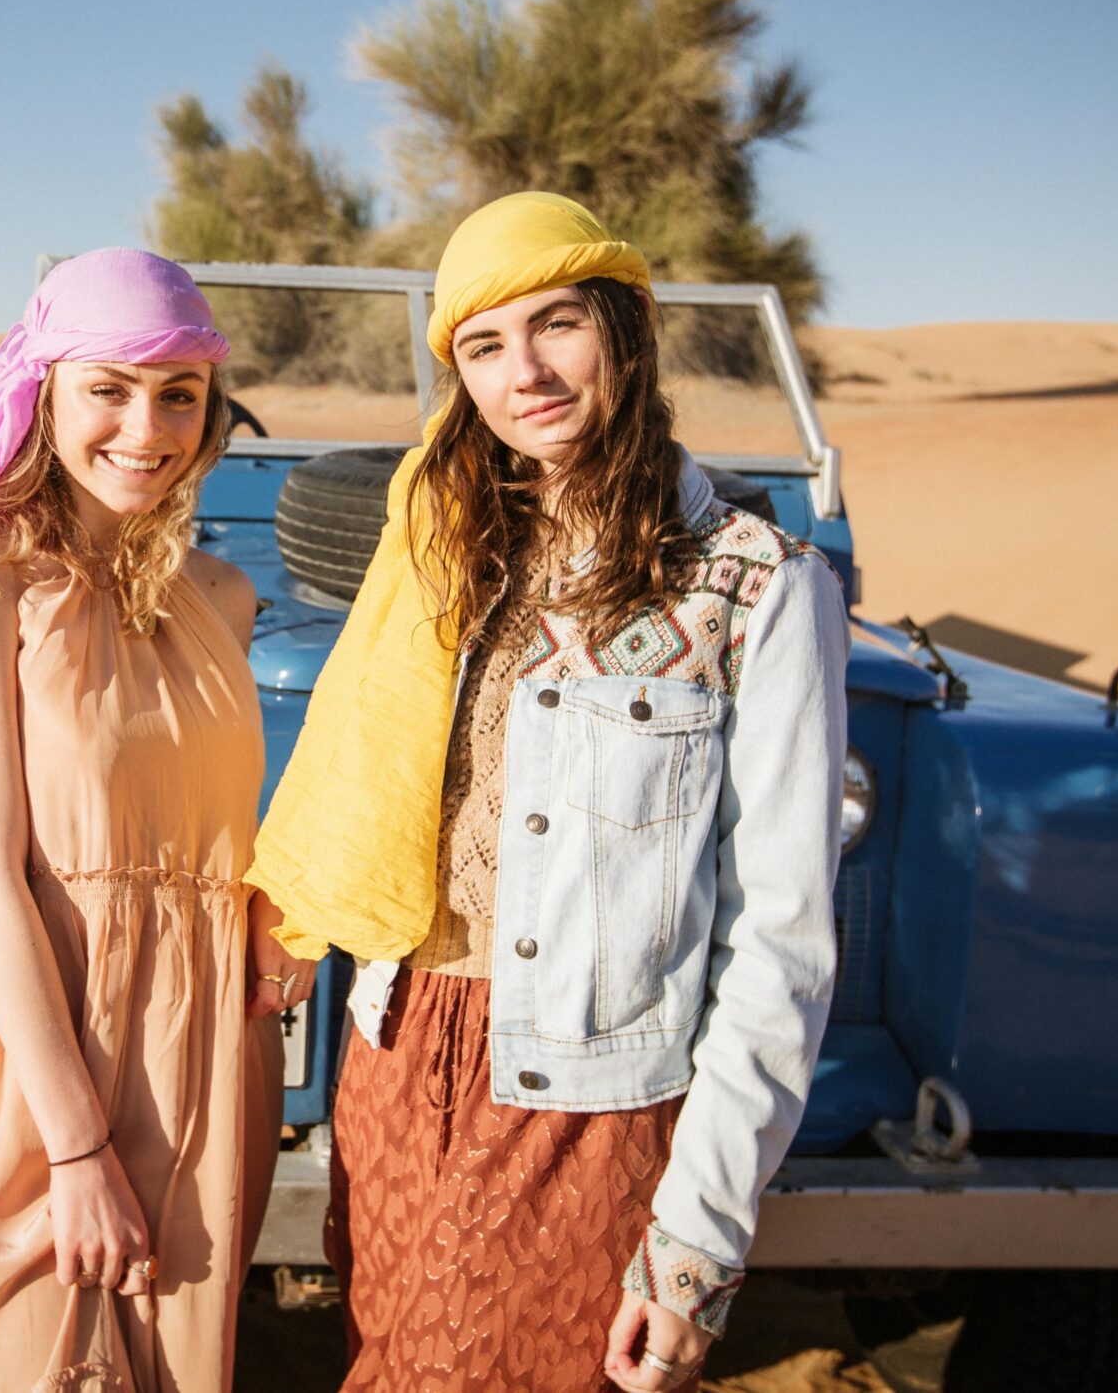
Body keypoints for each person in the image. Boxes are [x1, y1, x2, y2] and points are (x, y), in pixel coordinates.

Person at [244, 193, 849, 1391]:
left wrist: (696, 1246)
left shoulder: (753, 587)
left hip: (584, 1103)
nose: (524, 372)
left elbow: (780, 939)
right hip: (398, 1050)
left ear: (624, 331)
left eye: (556, 324)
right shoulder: (439, 542)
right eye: (482, 345)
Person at [0, 247, 283, 1392]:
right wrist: (75, 1146)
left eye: (179, 394)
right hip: (47, 1054)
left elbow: (234, 832)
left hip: (211, 1051)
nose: (148, 426)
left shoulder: (223, 600)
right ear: (43, 394)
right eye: (110, 389)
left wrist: (279, 931)